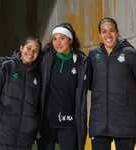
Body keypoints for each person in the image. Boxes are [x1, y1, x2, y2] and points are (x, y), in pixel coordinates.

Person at [88, 17, 136, 150]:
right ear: (99, 34)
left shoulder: (132, 54)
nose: (108, 35)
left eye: (111, 31)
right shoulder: (93, 55)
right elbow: (89, 83)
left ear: (117, 32)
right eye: (104, 31)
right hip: (99, 122)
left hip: (125, 121)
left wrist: (129, 100)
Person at [0, 37, 42, 150]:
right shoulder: (8, 66)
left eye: (36, 50)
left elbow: (38, 104)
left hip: (24, 138)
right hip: (1, 132)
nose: (31, 52)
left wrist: (33, 123)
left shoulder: (37, 75)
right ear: (21, 48)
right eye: (29, 48)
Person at [37, 22, 91, 150]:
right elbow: (25, 57)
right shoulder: (45, 58)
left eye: (62, 38)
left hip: (69, 122)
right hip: (47, 122)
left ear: (70, 40)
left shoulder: (82, 62)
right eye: (55, 39)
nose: (58, 43)